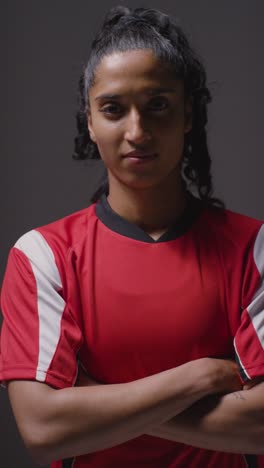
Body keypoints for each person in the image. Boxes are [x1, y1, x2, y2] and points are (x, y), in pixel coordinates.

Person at [0, 5, 264, 468]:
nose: (136, 131)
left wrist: (93, 401)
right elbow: (42, 430)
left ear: (187, 114)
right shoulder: (43, 255)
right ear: (90, 121)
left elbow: (261, 427)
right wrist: (200, 377)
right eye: (113, 109)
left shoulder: (254, 249)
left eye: (158, 105)